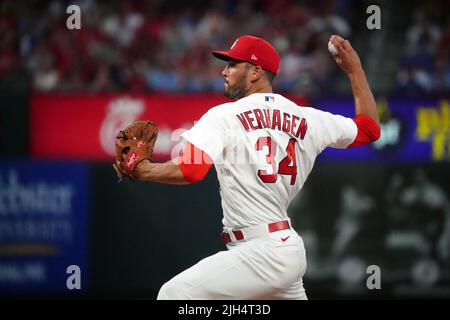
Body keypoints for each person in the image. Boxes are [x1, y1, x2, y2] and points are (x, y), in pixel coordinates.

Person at [128, 34, 380, 299]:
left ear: (256, 72)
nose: (224, 71)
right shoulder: (308, 118)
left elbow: (190, 170)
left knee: (173, 295)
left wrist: (144, 170)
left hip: (260, 251)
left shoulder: (223, 116)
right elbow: (370, 129)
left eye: (233, 64)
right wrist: (355, 71)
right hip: (284, 248)